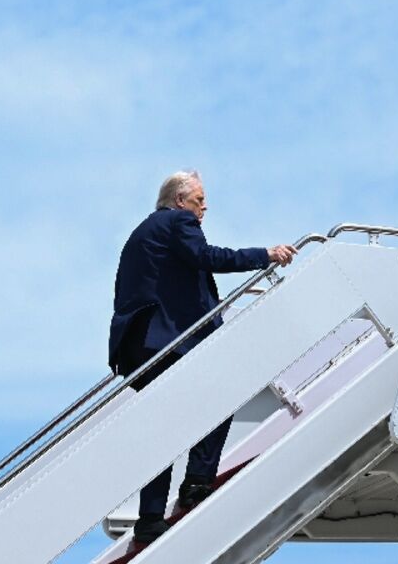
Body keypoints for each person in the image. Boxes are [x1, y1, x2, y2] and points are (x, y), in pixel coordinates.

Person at [109, 170, 296, 544]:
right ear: (180, 201)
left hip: (139, 344)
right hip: (166, 340)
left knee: (163, 432)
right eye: (199, 200)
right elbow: (206, 256)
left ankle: (149, 518)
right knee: (224, 393)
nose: (204, 207)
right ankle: (196, 481)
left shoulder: (145, 231)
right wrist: (266, 255)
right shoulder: (178, 221)